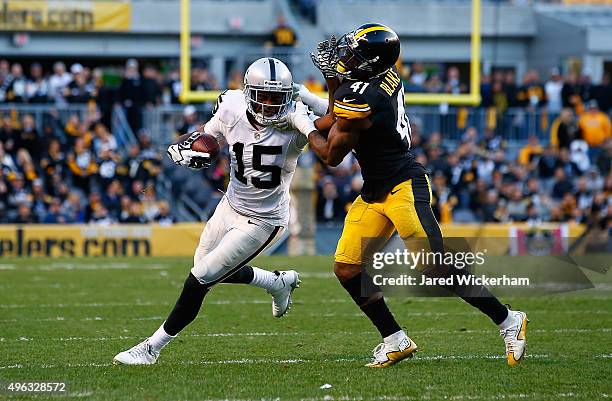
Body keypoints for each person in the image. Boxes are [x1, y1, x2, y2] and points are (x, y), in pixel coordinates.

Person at [289, 23, 528, 368]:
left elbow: (330, 152)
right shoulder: (382, 78)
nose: (346, 58)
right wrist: (329, 85)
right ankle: (394, 339)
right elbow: (337, 113)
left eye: (354, 55)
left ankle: (509, 320)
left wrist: (301, 123)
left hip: (403, 186)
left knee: (435, 267)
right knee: (346, 268)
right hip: (374, 191)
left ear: (371, 63)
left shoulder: (363, 97)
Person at [113, 58, 318, 365]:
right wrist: (189, 147)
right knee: (205, 267)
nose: (270, 106)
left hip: (264, 219)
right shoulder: (231, 105)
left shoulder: (296, 118)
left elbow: (337, 116)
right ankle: (276, 282)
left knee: (201, 277)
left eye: (278, 97)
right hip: (230, 205)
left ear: (289, 95)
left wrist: (308, 97)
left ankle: (151, 348)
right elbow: (210, 137)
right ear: (248, 92)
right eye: (264, 96)